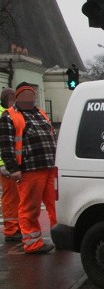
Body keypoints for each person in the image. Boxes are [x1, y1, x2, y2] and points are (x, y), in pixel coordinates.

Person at [0, 83, 57, 253]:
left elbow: (51, 135)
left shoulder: (40, 113)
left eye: (31, 94)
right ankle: (32, 244)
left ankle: (60, 237)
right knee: (30, 208)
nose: (29, 98)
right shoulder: (9, 116)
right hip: (29, 169)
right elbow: (6, 145)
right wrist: (13, 168)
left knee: (55, 206)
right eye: (24, 94)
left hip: (49, 166)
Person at [0, 88, 21, 242]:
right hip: (7, 165)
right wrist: (3, 165)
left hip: (13, 163)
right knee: (11, 197)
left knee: (18, 197)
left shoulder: (11, 112)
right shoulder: (4, 114)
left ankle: (17, 225)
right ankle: (11, 229)